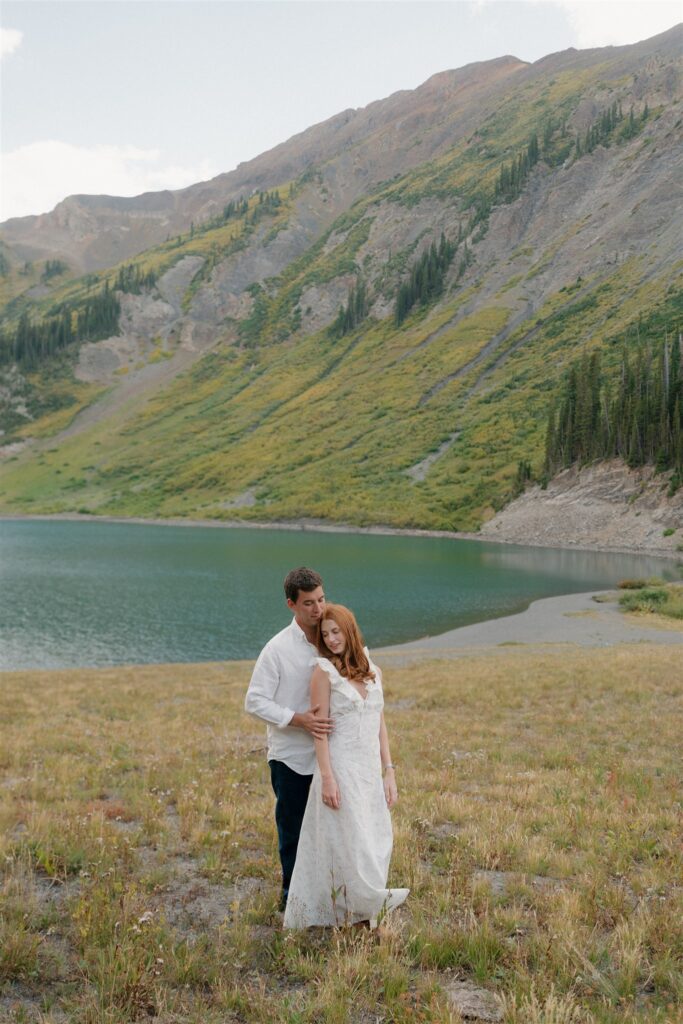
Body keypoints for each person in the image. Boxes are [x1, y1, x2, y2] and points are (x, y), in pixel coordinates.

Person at [283, 603, 409, 930]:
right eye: (325, 635)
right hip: (340, 767)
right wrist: (327, 777)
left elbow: (379, 722)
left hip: (369, 769)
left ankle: (364, 907)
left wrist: (389, 770)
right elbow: (320, 732)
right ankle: (348, 911)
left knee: (374, 836)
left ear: (349, 630)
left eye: (336, 632)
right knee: (349, 842)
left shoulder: (373, 670)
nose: (332, 639)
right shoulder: (323, 673)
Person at [244, 567, 333, 911]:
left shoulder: (334, 637)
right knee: (293, 829)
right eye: (309, 603)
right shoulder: (277, 649)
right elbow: (254, 701)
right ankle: (291, 899)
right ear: (291, 605)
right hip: (290, 756)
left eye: (321, 599)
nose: (318, 609)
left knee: (328, 829)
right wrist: (299, 720)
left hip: (331, 755)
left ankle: (326, 893)